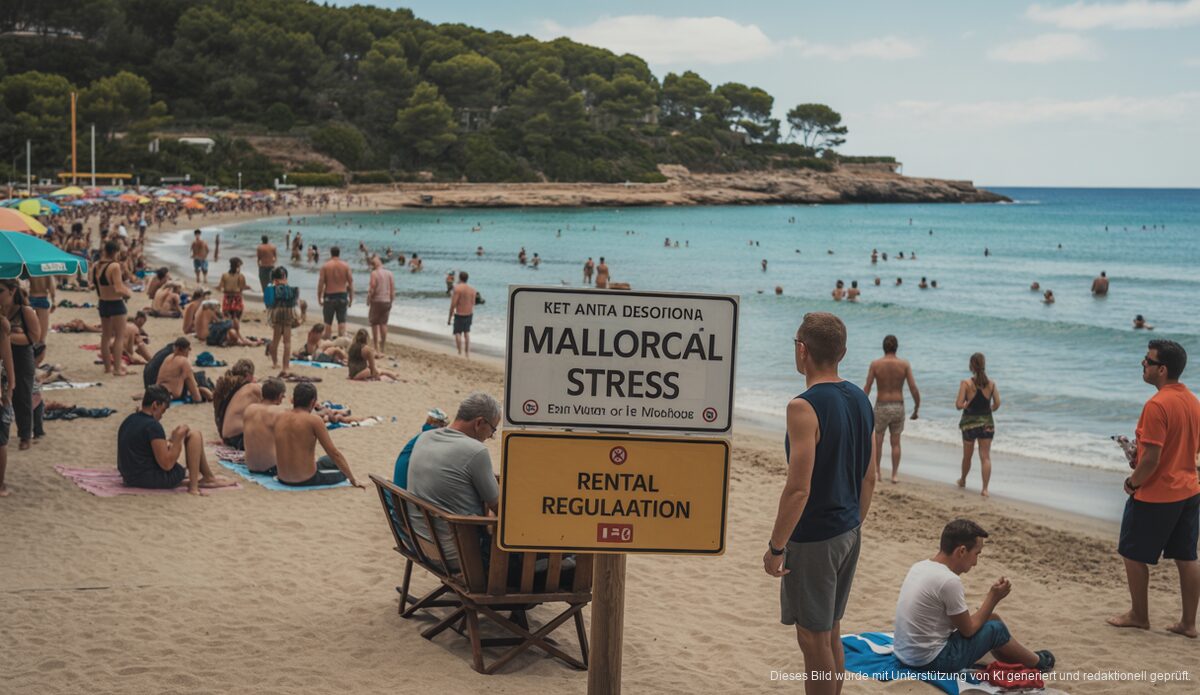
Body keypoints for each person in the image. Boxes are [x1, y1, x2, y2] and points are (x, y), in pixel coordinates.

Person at [763, 313, 876, 695]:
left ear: (801, 350)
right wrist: (853, 523)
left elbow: (798, 488)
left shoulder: (803, 406)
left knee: (813, 639)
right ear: (842, 352)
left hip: (814, 539)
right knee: (830, 632)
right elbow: (869, 476)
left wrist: (776, 547)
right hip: (848, 530)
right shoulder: (860, 397)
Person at [1108, 340, 1200, 638]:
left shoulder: (1157, 405)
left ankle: (1139, 615)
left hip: (1158, 492)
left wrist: (1132, 483)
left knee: (1132, 553)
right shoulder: (1192, 401)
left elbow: (1151, 460)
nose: (1142, 365)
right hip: (1189, 488)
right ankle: (1188, 623)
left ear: (1162, 369)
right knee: (1187, 557)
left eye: (1147, 361)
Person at [894, 519, 1056, 674]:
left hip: (905, 654)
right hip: (929, 663)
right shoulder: (949, 581)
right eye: (976, 554)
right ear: (962, 551)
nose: (976, 563)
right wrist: (993, 597)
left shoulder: (920, 566)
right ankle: (1039, 663)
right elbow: (968, 631)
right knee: (996, 629)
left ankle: (1019, 659)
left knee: (992, 619)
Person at [406, 393, 501, 567]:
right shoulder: (476, 451)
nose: (490, 437)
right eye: (493, 430)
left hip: (422, 545)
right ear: (479, 423)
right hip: (459, 555)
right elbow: (500, 506)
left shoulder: (424, 438)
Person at [116, 385, 234, 494]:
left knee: (187, 438)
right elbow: (167, 464)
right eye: (163, 410)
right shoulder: (153, 426)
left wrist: (170, 442)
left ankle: (207, 478)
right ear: (155, 405)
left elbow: (143, 449)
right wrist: (177, 440)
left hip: (129, 477)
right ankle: (195, 486)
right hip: (146, 478)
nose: (162, 416)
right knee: (194, 435)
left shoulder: (130, 419)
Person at [272, 382, 363, 488]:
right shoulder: (314, 420)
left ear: (293, 399)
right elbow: (334, 453)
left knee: (327, 461)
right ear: (313, 402)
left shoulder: (279, 416)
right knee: (342, 472)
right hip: (305, 479)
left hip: (282, 477)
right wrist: (352, 479)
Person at [864, 335, 921, 484]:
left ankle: (877, 472)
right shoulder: (904, 365)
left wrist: (861, 405)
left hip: (881, 405)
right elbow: (913, 388)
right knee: (895, 442)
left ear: (883, 347)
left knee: (878, 440)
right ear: (897, 347)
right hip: (898, 406)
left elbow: (868, 387)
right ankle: (895, 475)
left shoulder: (876, 364)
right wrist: (917, 407)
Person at [0, 280, 39, 451]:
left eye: (0, 291)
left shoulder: (25, 311)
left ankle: (25, 435)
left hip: (22, 357)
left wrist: (8, 337)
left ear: (12, 291)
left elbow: (34, 338)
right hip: (3, 358)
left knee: (22, 396)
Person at [956, 353, 999, 496]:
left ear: (971, 366)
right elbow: (997, 404)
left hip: (969, 424)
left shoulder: (966, 384)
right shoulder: (992, 384)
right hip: (987, 423)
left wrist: (966, 404)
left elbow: (958, 405)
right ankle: (985, 489)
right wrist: (987, 411)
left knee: (967, 456)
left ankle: (963, 480)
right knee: (985, 457)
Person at [91, 240, 132, 376]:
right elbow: (118, 288)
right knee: (119, 337)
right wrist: (129, 293)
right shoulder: (114, 266)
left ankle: (107, 367)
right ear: (115, 252)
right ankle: (117, 369)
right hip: (115, 303)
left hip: (103, 302)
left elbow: (94, 284)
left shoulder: (97, 265)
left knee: (106, 336)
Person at [392, 408, 450, 488]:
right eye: (445, 426)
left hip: (398, 489)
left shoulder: (420, 437)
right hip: (406, 492)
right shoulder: (432, 439)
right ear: (440, 425)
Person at [212, 359, 261, 450]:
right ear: (248, 375)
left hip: (226, 436)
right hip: (238, 438)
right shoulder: (251, 388)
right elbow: (269, 400)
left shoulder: (228, 386)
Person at [242, 377, 287, 474]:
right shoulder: (277, 412)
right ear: (279, 396)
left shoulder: (249, 409)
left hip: (251, 466)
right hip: (271, 468)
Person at [266, 267, 301, 376]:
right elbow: (296, 303)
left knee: (275, 341)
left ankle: (275, 363)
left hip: (276, 315)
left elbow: (268, 303)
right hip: (288, 316)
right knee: (287, 343)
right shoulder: (293, 290)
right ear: (285, 277)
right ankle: (285, 366)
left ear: (274, 279)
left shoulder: (272, 289)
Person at [157, 337, 212, 403]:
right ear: (183, 349)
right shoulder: (184, 362)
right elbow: (193, 387)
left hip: (158, 391)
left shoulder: (168, 357)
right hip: (172, 395)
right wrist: (199, 399)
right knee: (200, 376)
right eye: (188, 350)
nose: (188, 352)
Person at [317, 246, 353, 338]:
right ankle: (341, 344)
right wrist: (351, 298)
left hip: (329, 296)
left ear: (331, 253)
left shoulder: (325, 266)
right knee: (342, 323)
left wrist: (319, 297)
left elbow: (321, 283)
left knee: (328, 325)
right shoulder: (345, 266)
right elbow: (351, 283)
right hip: (342, 295)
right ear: (339, 253)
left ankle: (328, 342)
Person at [368, 255, 395, 351]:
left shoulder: (374, 274)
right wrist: (391, 301)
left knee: (374, 323)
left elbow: (372, 288)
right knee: (383, 324)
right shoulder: (389, 273)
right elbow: (392, 290)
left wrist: (368, 299)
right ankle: (382, 346)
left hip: (376, 300)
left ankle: (376, 346)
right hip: (386, 301)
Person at [448, 271, 476, 358]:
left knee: (457, 332)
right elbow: (473, 303)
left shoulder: (457, 288)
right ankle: (467, 353)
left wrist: (449, 317)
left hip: (460, 313)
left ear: (460, 278)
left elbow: (453, 304)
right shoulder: (472, 290)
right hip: (469, 313)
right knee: (466, 332)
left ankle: (459, 351)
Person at [218, 257, 247, 328]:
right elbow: (242, 287)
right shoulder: (240, 276)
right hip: (236, 297)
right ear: (238, 267)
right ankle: (235, 330)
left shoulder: (224, 275)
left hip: (227, 297)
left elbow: (220, 286)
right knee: (236, 317)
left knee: (227, 317)